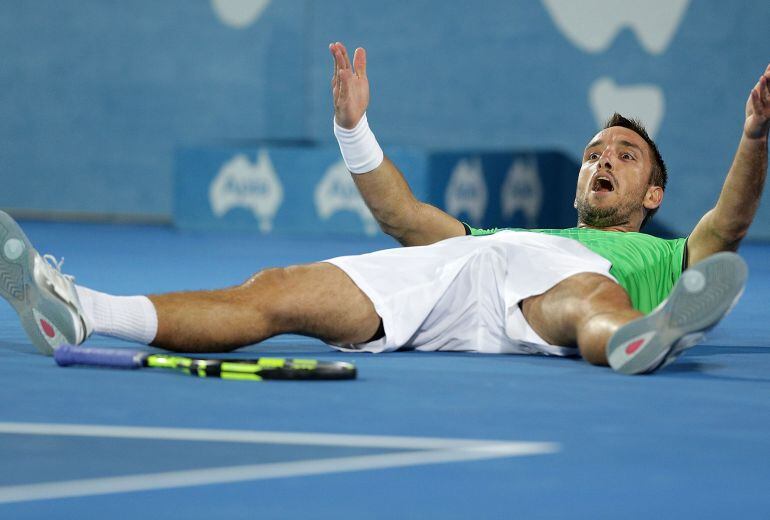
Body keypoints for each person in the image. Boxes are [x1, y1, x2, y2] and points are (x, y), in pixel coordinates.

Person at [0, 44, 767, 375]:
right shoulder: (509, 231)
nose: (603, 160)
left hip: (558, 294)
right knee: (272, 291)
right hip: (461, 275)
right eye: (596, 151)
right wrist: (352, 129)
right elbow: (404, 218)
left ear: (653, 196)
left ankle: (638, 339)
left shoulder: (669, 255)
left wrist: (756, 134)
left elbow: (728, 226)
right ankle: (82, 308)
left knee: (589, 300)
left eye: (624, 157)